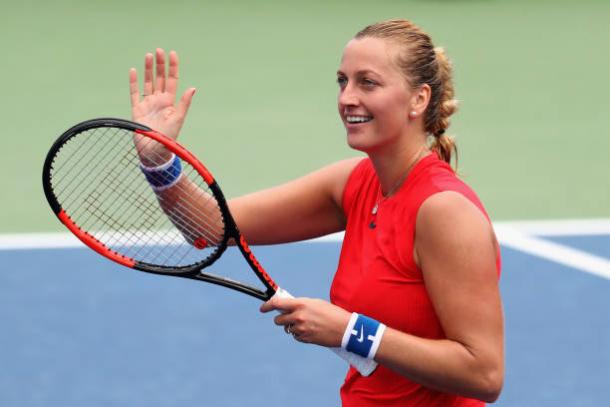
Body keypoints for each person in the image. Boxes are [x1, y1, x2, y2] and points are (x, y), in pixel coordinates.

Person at [129, 19, 504, 406]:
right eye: (343, 81)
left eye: (368, 82)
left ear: (418, 99)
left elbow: (484, 373)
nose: (347, 98)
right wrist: (160, 165)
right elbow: (211, 226)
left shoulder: (444, 212)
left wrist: (351, 331)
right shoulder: (354, 185)